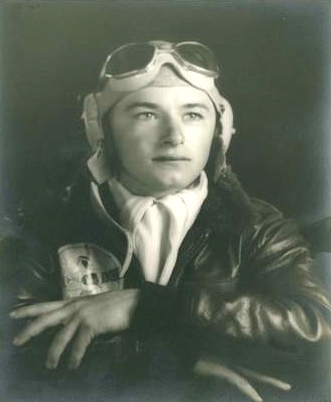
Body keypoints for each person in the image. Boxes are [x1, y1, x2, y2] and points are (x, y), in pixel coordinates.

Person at [1, 40, 331, 402]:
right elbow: (12, 347)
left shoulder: (256, 226)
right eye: (146, 114)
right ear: (101, 129)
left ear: (220, 130)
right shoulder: (50, 225)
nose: (174, 137)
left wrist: (149, 306)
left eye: (193, 114)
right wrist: (171, 361)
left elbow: (317, 329)